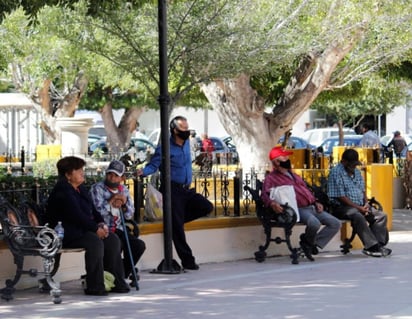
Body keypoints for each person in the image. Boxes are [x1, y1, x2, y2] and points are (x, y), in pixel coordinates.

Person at [137, 115, 214, 270]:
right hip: (173, 190)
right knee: (178, 230)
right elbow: (154, 165)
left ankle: (173, 223)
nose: (186, 131)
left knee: (206, 207)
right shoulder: (165, 147)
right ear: (174, 130)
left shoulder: (186, 144)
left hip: (186, 190)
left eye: (187, 128)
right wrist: (143, 172)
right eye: (183, 129)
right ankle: (188, 261)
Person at [46, 156, 130, 296]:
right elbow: (77, 216)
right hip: (65, 233)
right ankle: (95, 285)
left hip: (81, 230)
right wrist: (95, 229)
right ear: (68, 175)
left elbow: (94, 211)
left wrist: (101, 224)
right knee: (94, 242)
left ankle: (117, 282)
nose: (82, 173)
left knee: (113, 239)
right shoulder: (63, 191)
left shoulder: (80, 188)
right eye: (78, 170)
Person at [261, 146, 341, 261]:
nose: (288, 159)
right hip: (297, 209)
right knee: (314, 223)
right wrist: (272, 203)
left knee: (335, 223)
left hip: (311, 206)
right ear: (277, 162)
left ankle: (309, 244)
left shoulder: (294, 175)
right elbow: (265, 194)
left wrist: (316, 202)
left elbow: (306, 190)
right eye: (284, 157)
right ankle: (308, 245)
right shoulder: (271, 178)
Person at [90, 160, 146, 287]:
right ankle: (116, 275)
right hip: (103, 229)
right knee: (116, 243)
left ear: (122, 178)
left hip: (119, 228)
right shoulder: (97, 189)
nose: (112, 177)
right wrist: (111, 201)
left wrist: (124, 205)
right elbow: (97, 212)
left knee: (138, 245)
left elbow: (129, 214)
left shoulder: (124, 190)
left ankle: (121, 274)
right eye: (110, 174)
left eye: (116, 175)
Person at [327, 148, 391, 257]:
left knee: (381, 216)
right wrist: (359, 208)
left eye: (355, 164)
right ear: (344, 162)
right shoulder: (336, 173)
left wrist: (365, 204)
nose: (354, 167)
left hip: (360, 205)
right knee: (358, 216)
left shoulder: (356, 172)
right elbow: (341, 197)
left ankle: (378, 245)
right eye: (351, 164)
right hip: (342, 207)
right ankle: (371, 246)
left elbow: (362, 190)